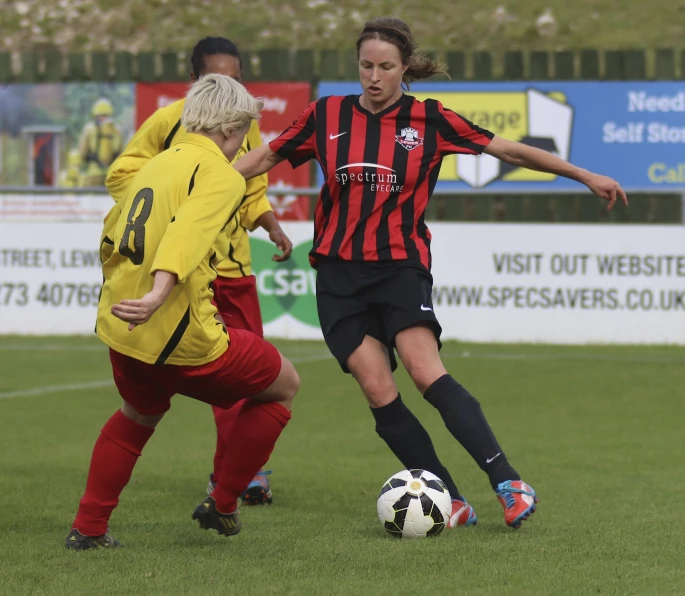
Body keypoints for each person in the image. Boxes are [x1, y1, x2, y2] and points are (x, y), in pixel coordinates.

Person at [234, 17, 628, 530]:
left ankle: (508, 480)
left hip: (400, 265)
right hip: (337, 275)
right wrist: (193, 178)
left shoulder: (431, 120)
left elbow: (507, 150)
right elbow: (261, 158)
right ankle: (450, 498)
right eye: (366, 66)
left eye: (386, 67)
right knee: (377, 388)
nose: (374, 77)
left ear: (404, 69)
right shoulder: (325, 114)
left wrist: (584, 174)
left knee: (424, 369)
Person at [66, 74, 299, 550]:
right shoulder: (220, 173)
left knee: (138, 413)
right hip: (178, 330)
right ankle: (226, 501)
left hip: (123, 329)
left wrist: (123, 295)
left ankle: (88, 529)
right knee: (283, 385)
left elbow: (111, 234)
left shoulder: (153, 166)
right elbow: (188, 234)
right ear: (232, 129)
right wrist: (158, 292)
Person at [106, 36, 293, 506]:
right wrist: (168, 213)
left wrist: (269, 225)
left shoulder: (241, 120)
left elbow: (248, 189)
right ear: (195, 83)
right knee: (252, 376)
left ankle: (237, 475)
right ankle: (229, 488)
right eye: (217, 77)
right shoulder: (171, 124)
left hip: (232, 267)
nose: (227, 85)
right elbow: (125, 178)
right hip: (184, 277)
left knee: (235, 382)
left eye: (235, 76)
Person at [79, 97, 123, 186]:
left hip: (93, 173)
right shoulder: (117, 130)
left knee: (92, 198)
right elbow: (121, 153)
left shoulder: (89, 128)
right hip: (111, 174)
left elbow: (82, 153)